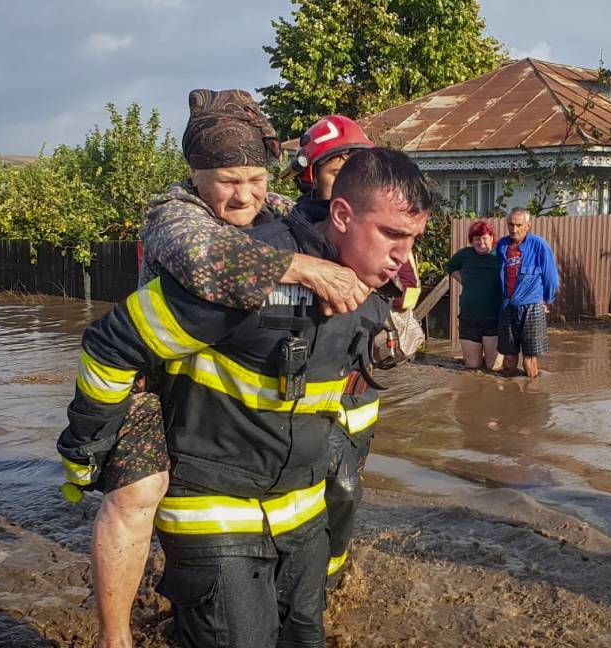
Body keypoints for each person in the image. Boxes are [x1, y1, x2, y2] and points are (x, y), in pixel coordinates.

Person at [59, 147, 433, 648]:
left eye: (412, 240)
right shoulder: (247, 274)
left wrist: (390, 344)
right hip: (214, 510)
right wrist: (88, 446)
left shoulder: (370, 283)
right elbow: (112, 343)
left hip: (301, 511)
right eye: (392, 234)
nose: (403, 258)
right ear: (342, 215)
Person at [288, 115, 421, 586]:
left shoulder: (386, 233)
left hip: (358, 390)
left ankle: (330, 570)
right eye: (334, 166)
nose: (346, 173)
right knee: (327, 488)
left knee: (346, 489)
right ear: (311, 175)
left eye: (355, 163)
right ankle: (311, 578)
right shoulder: (290, 233)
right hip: (306, 391)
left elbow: (405, 292)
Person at [496, 207, 558, 379]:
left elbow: (551, 277)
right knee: (508, 358)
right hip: (508, 306)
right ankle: (508, 397)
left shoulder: (539, 245)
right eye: (510, 224)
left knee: (529, 361)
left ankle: (531, 398)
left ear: (528, 226)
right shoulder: (502, 245)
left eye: (519, 225)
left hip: (532, 307)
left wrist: (546, 301)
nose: (514, 229)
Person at [446, 220, 502, 370]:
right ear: (472, 240)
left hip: (494, 319)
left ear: (491, 237)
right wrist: (465, 281)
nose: (481, 242)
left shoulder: (500, 254)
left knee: (494, 367)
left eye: (484, 237)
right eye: (477, 239)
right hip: (469, 318)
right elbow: (451, 267)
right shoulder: (465, 254)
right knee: (472, 367)